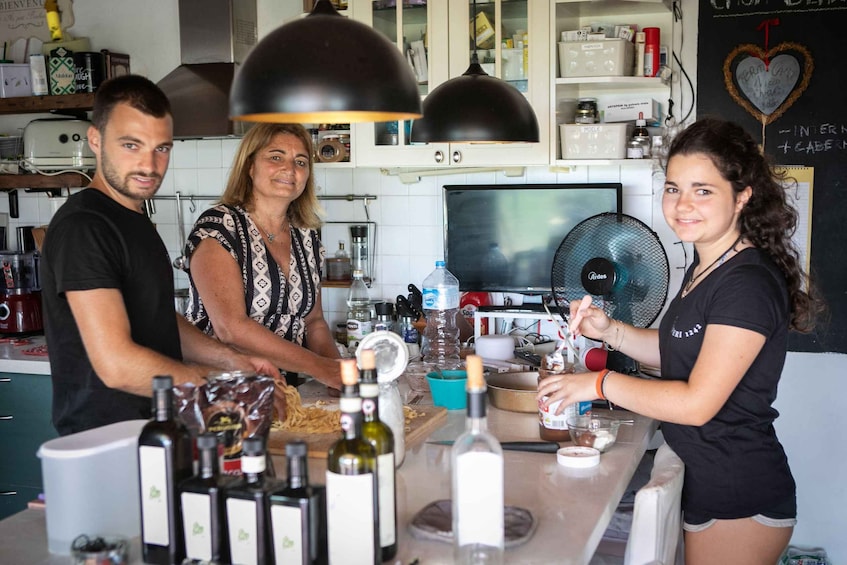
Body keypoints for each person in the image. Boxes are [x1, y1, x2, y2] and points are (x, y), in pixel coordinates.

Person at [538, 117, 823, 564]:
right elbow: (678, 349)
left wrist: (596, 384)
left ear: (742, 196)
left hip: (739, 494)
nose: (682, 204)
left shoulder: (745, 285)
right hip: (711, 481)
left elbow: (696, 403)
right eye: (673, 188)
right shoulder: (707, 265)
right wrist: (608, 330)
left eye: (702, 190)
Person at [41, 75, 280, 436]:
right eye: (131, 145)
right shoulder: (85, 227)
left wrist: (233, 361)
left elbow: (154, 316)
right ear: (95, 140)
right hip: (108, 441)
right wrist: (213, 389)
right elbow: (116, 364)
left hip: (157, 431)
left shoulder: (133, 218)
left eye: (161, 148)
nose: (149, 166)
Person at [182, 123, 342, 390]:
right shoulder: (219, 227)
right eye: (276, 157)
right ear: (250, 166)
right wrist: (319, 367)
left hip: (284, 390)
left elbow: (314, 323)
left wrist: (340, 378)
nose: (290, 169)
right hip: (220, 391)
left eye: (300, 162)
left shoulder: (306, 235)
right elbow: (231, 328)